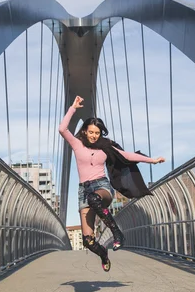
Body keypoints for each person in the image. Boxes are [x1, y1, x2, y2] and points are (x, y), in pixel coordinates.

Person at [59, 95, 165, 271]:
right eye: (91, 132)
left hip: (102, 187)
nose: (94, 136)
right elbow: (63, 129)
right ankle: (103, 254)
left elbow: (127, 156)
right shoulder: (77, 144)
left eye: (97, 133)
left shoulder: (105, 147)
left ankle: (117, 233)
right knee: (88, 241)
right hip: (83, 191)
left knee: (94, 198)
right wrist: (73, 108)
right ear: (85, 131)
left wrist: (152, 160)